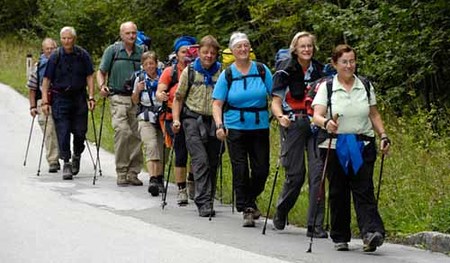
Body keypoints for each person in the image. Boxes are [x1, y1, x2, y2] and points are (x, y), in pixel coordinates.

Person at [312, 44, 391, 252]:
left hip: (362, 143)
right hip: (335, 144)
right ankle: (340, 236)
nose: (349, 65)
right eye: (344, 62)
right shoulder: (327, 87)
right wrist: (326, 122)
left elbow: (373, 114)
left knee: (364, 188)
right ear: (335, 64)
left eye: (352, 61)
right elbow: (317, 115)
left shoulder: (364, 85)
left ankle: (371, 233)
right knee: (338, 190)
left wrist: (383, 135)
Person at [270, 32, 328, 238]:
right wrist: (280, 117)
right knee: (295, 175)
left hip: (316, 125)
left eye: (309, 46)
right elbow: (276, 101)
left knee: (317, 174)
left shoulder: (322, 71)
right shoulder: (285, 71)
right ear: (295, 49)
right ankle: (282, 209)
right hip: (293, 123)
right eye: (302, 46)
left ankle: (315, 225)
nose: (306, 50)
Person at [212, 32, 273, 227]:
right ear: (233, 50)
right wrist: (220, 125)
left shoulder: (262, 70)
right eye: (239, 46)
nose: (243, 49)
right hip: (235, 127)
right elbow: (217, 103)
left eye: (246, 45)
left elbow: (275, 96)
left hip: (259, 126)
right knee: (240, 169)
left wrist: (281, 114)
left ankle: (249, 199)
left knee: (262, 169)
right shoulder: (227, 74)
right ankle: (247, 208)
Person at [172, 35, 222, 217]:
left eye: (212, 52)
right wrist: (176, 119)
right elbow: (178, 98)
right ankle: (204, 202)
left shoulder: (222, 73)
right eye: (205, 52)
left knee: (213, 160)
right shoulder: (190, 71)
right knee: (200, 160)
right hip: (192, 120)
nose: (208, 55)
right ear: (198, 52)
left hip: (215, 122)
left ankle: (208, 196)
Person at [41, 27, 95, 180]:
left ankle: (77, 154)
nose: (66, 41)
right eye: (64, 38)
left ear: (74, 39)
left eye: (69, 38)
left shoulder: (82, 55)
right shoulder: (55, 56)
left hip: (78, 97)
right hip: (60, 98)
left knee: (80, 131)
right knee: (62, 132)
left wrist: (91, 97)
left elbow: (90, 76)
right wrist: (45, 101)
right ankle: (66, 162)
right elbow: (46, 80)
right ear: (60, 39)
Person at [97, 21, 144, 186]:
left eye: (134, 33)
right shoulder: (113, 50)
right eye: (128, 33)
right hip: (118, 97)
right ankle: (122, 171)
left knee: (137, 135)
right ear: (121, 34)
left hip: (137, 99)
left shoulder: (142, 51)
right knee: (123, 132)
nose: (132, 36)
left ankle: (133, 172)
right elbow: (101, 71)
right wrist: (102, 86)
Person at [156, 36, 197, 204]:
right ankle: (181, 189)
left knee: (196, 153)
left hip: (195, 116)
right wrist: (161, 95)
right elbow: (160, 90)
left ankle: (192, 180)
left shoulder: (198, 70)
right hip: (174, 118)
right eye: (183, 51)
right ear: (177, 54)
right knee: (180, 153)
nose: (186, 54)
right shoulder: (170, 72)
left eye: (189, 51)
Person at [131, 51, 166, 197]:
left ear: (157, 63)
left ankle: (159, 178)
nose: (149, 66)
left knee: (162, 149)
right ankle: (153, 179)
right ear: (142, 65)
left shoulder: (164, 76)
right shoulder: (139, 78)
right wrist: (137, 90)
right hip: (146, 116)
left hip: (163, 115)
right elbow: (134, 101)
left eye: (152, 63)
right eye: (146, 64)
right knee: (151, 146)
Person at [27, 37, 60, 173]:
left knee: (61, 130)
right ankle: (53, 160)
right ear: (43, 50)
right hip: (43, 101)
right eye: (47, 49)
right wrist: (33, 106)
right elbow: (32, 88)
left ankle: (66, 156)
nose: (50, 51)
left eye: (52, 48)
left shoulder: (62, 63)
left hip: (60, 99)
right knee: (49, 130)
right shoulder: (38, 66)